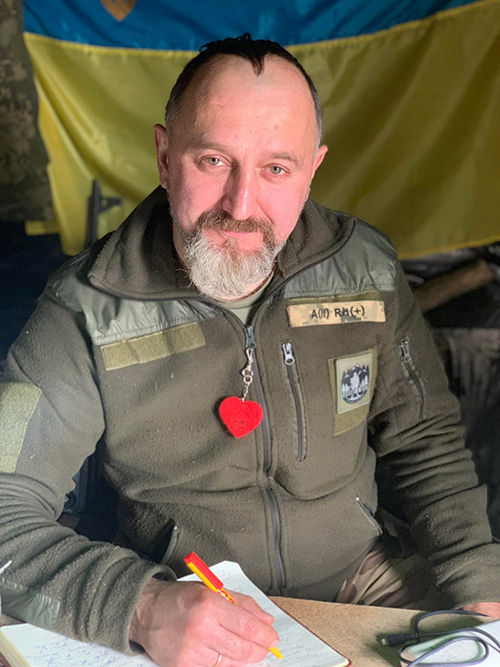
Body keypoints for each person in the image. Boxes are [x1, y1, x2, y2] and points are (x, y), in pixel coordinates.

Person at [0, 34, 499, 667]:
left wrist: (478, 578)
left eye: (276, 169)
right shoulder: (87, 306)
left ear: (313, 169)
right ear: (164, 156)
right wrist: (142, 606)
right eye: (213, 160)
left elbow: (425, 437)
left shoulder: (365, 269)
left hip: (362, 577)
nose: (240, 205)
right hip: (186, 600)